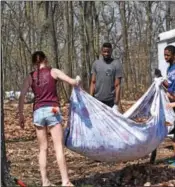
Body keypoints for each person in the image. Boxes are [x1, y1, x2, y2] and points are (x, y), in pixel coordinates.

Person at [18, 51, 80, 186]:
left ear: (34, 62)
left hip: (38, 112)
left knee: (43, 149)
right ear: (45, 59)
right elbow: (72, 82)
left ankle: (45, 181)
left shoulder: (30, 77)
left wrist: (21, 114)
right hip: (52, 110)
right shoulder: (53, 71)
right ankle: (65, 181)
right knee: (58, 147)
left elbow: (22, 96)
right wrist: (77, 80)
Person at [89, 42, 123, 111]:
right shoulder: (96, 64)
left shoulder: (116, 64)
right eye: (104, 52)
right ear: (101, 51)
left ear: (111, 51)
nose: (106, 54)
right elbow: (93, 82)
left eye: (108, 52)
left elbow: (118, 85)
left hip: (110, 101)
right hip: (97, 99)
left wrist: (117, 100)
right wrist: (90, 97)